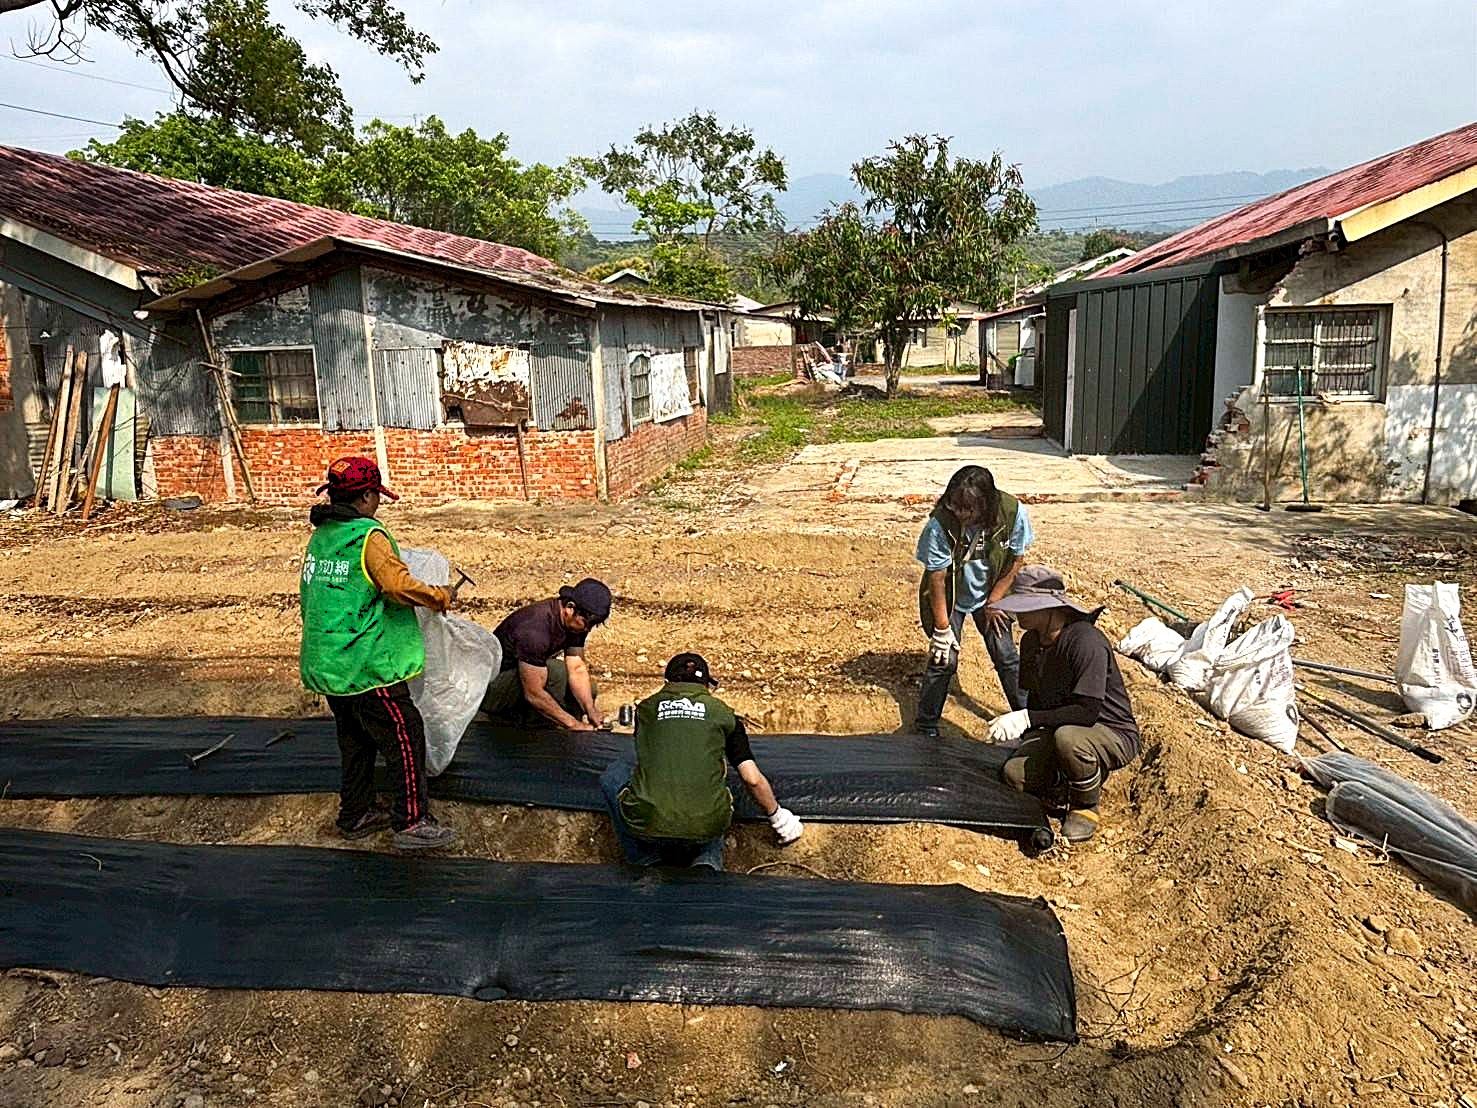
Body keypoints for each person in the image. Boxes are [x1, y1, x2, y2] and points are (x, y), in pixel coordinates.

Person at [298, 456, 460, 851]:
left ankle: (355, 814)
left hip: (329, 661)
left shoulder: (324, 535)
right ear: (367, 496)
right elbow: (395, 584)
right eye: (376, 497)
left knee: (355, 739)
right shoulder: (367, 536)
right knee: (405, 734)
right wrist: (440, 596)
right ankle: (412, 821)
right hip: (366, 661)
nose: (378, 505)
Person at [600, 653, 803, 871]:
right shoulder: (725, 716)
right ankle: (708, 857)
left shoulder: (645, 711)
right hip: (706, 826)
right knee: (716, 780)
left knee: (614, 775)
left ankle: (643, 858)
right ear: (706, 686)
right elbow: (752, 779)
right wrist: (779, 818)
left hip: (648, 823)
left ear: (667, 683)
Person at [984, 566, 1141, 843]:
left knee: (1069, 740)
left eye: (1025, 606)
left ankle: (1085, 805)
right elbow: (1036, 697)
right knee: (1014, 775)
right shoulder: (1032, 641)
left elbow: (1087, 711)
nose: (1017, 614)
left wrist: (1027, 719)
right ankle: (1066, 779)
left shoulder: (1086, 641)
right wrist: (1027, 736)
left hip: (1108, 730)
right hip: (1061, 725)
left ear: (1049, 609)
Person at [914, 464, 1034, 737]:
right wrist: (942, 629)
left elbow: (1016, 560)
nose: (961, 514)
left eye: (968, 509)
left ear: (986, 505)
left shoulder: (1011, 512)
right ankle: (925, 726)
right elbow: (937, 579)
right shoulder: (940, 524)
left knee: (1006, 656)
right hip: (953, 596)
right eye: (956, 507)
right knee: (944, 660)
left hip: (992, 592)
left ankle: (1028, 718)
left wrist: (994, 601)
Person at [481, 578, 611, 730]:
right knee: (556, 673)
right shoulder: (535, 629)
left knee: (589, 688)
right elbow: (533, 693)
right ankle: (536, 728)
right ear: (570, 608)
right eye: (587, 623)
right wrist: (573, 724)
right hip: (488, 691)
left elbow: (577, 668)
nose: (587, 630)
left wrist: (590, 710)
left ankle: (570, 731)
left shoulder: (576, 624)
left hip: (521, 679)